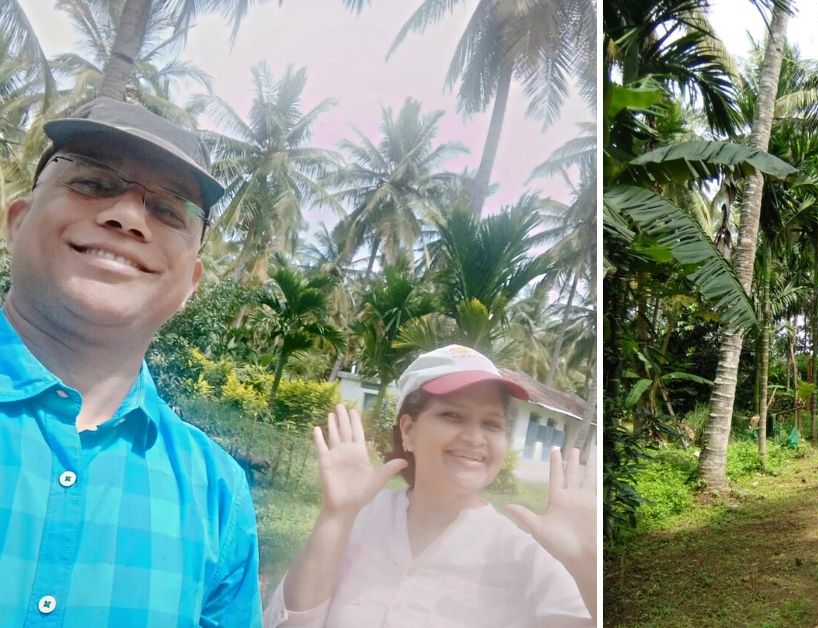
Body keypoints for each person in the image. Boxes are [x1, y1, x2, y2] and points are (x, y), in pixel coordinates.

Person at [0, 97, 262, 625]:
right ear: (17, 221)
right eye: (94, 183)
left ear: (190, 284)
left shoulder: (218, 495)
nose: (125, 217)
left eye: (168, 210)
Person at [265, 345, 597, 627]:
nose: (475, 437)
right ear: (408, 430)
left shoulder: (528, 557)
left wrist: (587, 564)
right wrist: (335, 517)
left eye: (492, 423)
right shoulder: (359, 519)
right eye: (452, 416)